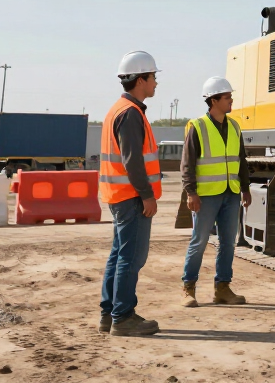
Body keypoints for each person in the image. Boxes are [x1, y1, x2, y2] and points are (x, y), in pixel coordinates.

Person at [99, 51, 164, 337]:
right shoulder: (130, 114)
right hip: (131, 197)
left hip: (119, 194)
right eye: (153, 77)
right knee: (131, 258)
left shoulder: (119, 109)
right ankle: (123, 317)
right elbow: (133, 161)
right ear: (141, 80)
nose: (156, 83)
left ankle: (109, 313)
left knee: (118, 255)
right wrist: (147, 195)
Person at [180, 76, 252, 308]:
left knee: (228, 242)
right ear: (214, 100)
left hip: (231, 193)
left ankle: (222, 288)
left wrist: (246, 188)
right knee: (199, 241)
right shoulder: (197, 126)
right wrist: (191, 192)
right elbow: (187, 164)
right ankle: (188, 288)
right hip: (206, 195)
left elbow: (241, 160)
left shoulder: (234, 126)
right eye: (227, 97)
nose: (231, 100)